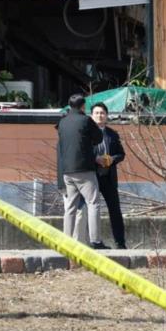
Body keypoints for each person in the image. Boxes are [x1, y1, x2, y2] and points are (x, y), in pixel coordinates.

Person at [57, 94, 109, 249]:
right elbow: (99, 137)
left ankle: (66, 240)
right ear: (82, 106)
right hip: (84, 169)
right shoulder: (86, 120)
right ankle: (96, 240)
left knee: (71, 206)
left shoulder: (62, 122)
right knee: (93, 203)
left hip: (67, 171)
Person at [90, 102, 127, 249]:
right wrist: (95, 159)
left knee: (115, 210)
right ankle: (93, 241)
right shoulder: (86, 133)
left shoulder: (112, 134)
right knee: (91, 209)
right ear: (91, 116)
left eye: (102, 113)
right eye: (97, 113)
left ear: (106, 116)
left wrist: (112, 159)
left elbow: (121, 154)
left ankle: (120, 242)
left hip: (108, 177)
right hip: (91, 177)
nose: (100, 116)